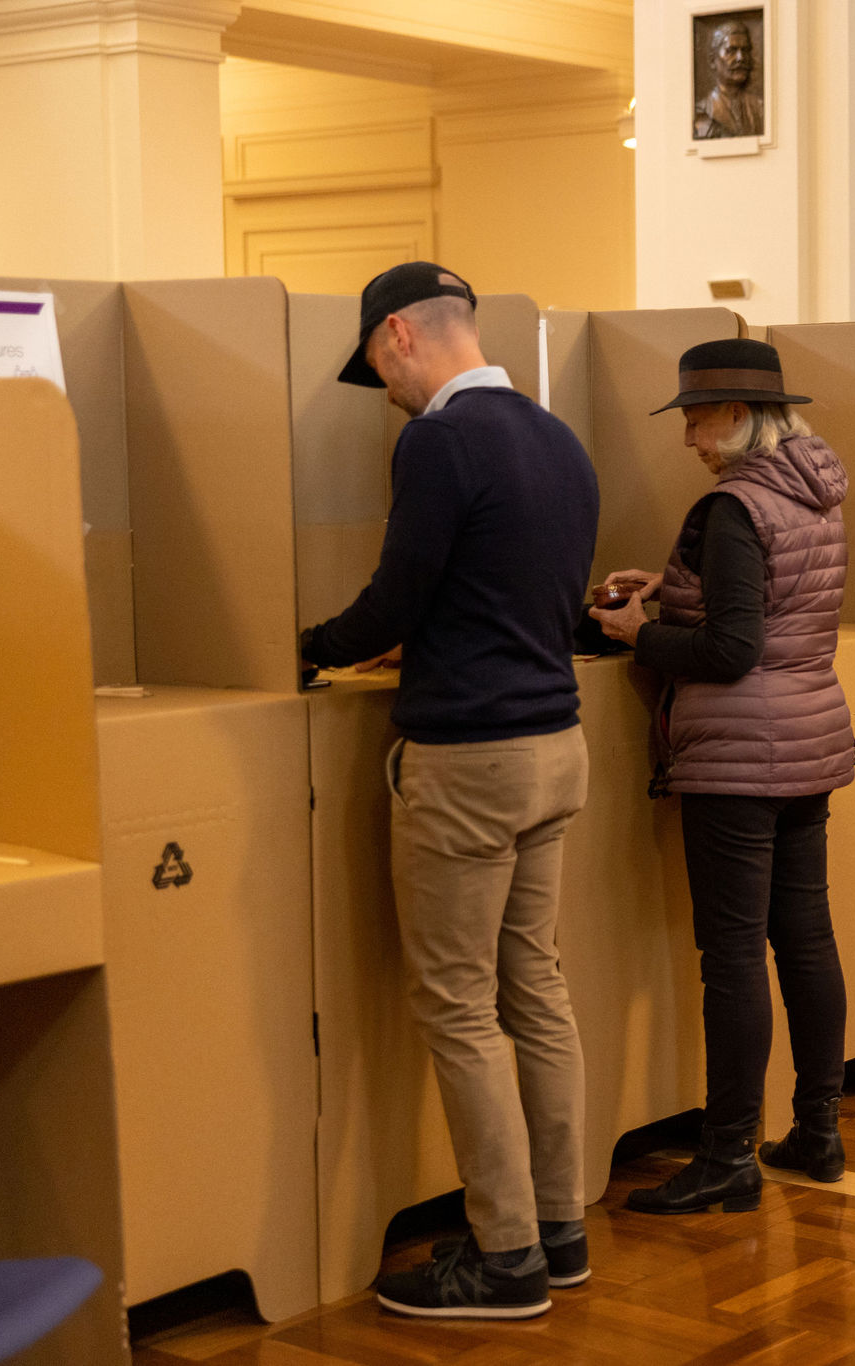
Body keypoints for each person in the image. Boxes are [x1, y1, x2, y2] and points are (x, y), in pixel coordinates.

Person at [299, 262, 600, 1319]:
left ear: (398, 338)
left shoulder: (436, 440)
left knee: (459, 1006)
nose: (383, 392)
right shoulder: (556, 435)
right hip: (556, 743)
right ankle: (560, 1230)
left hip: (468, 760)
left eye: (376, 369)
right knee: (538, 988)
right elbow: (524, 593)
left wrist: (309, 649)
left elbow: (400, 589)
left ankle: (504, 1255)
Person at [589, 338, 854, 1211]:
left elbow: (734, 649)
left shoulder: (736, 507)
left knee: (733, 955)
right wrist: (668, 588)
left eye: (696, 418)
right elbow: (777, 608)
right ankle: (817, 1131)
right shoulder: (811, 490)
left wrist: (639, 635)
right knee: (805, 939)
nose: (687, 437)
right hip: (808, 738)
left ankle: (727, 1154)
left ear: (739, 416)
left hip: (739, 756)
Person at [694, 18, 763, 138]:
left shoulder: (760, 108)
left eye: (745, 50)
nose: (741, 58)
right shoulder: (701, 110)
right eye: (731, 51)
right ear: (712, 60)